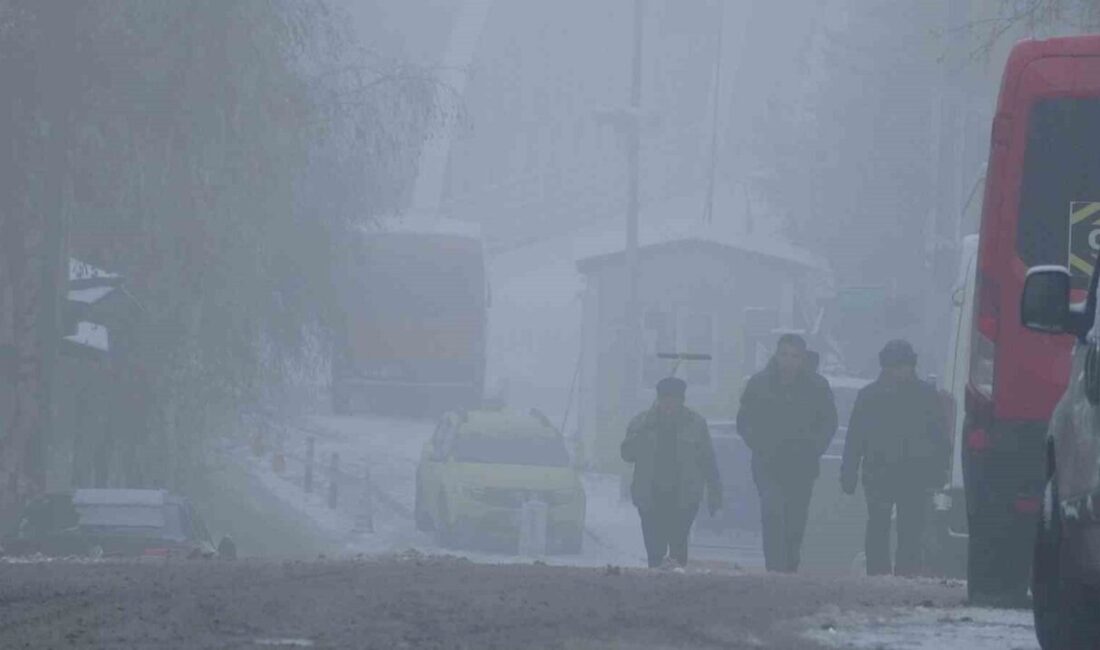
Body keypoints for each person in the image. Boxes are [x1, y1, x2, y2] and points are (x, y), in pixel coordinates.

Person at [840, 339, 949, 577]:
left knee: (910, 528)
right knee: (878, 525)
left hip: (914, 474)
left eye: (904, 365)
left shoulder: (926, 396)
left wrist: (940, 470)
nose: (900, 371)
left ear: (912, 366)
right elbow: (856, 437)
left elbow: (939, 437)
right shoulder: (869, 396)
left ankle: (906, 573)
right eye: (894, 366)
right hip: (879, 472)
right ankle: (878, 572)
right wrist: (848, 472)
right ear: (885, 367)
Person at [736, 334, 837, 572]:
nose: (788, 361)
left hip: (802, 465)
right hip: (767, 463)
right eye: (784, 355)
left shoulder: (817, 387)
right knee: (772, 513)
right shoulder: (759, 384)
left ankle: (790, 567)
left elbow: (828, 424)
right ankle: (774, 568)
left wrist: (813, 448)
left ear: (802, 359)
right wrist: (759, 443)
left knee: (794, 519)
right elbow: (744, 421)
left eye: (794, 356)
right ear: (776, 355)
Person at [621, 376, 722, 568]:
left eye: (674, 398)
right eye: (664, 398)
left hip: (684, 498)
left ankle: (678, 590)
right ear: (658, 399)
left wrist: (715, 493)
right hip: (650, 498)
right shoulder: (641, 422)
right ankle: (654, 589)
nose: (669, 403)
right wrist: (643, 431)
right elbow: (627, 454)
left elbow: (708, 461)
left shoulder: (696, 424)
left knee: (678, 550)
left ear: (682, 400)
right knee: (655, 552)